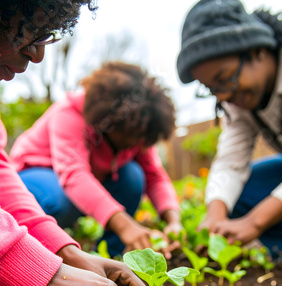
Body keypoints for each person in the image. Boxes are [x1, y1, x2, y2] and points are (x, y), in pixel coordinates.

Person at [0, 0, 152, 286]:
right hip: (41, 179)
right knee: (57, 196)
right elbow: (74, 175)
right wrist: (41, 276)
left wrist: (66, 253)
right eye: (26, 29)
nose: (37, 55)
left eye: (45, 36)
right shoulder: (72, 110)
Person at [10, 61, 182, 258]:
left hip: (79, 183)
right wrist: (126, 226)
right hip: (34, 177)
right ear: (110, 122)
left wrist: (173, 221)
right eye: (132, 136)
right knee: (57, 201)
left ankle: (110, 257)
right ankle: (37, 257)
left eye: (141, 138)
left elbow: (155, 176)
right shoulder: (69, 114)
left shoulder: (139, 128)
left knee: (133, 176)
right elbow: (74, 175)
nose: (135, 143)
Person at [177, 0, 282, 257]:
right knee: (240, 195)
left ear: (258, 50)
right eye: (212, 88)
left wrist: (255, 222)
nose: (223, 95)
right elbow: (230, 162)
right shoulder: (239, 102)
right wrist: (216, 213)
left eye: (224, 79)